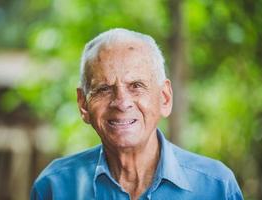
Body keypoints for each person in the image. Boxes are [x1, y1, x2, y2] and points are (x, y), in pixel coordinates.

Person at [30, 28, 243, 200]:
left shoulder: (216, 188)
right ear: (83, 104)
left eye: (136, 85)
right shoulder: (54, 188)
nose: (122, 103)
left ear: (165, 98)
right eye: (104, 89)